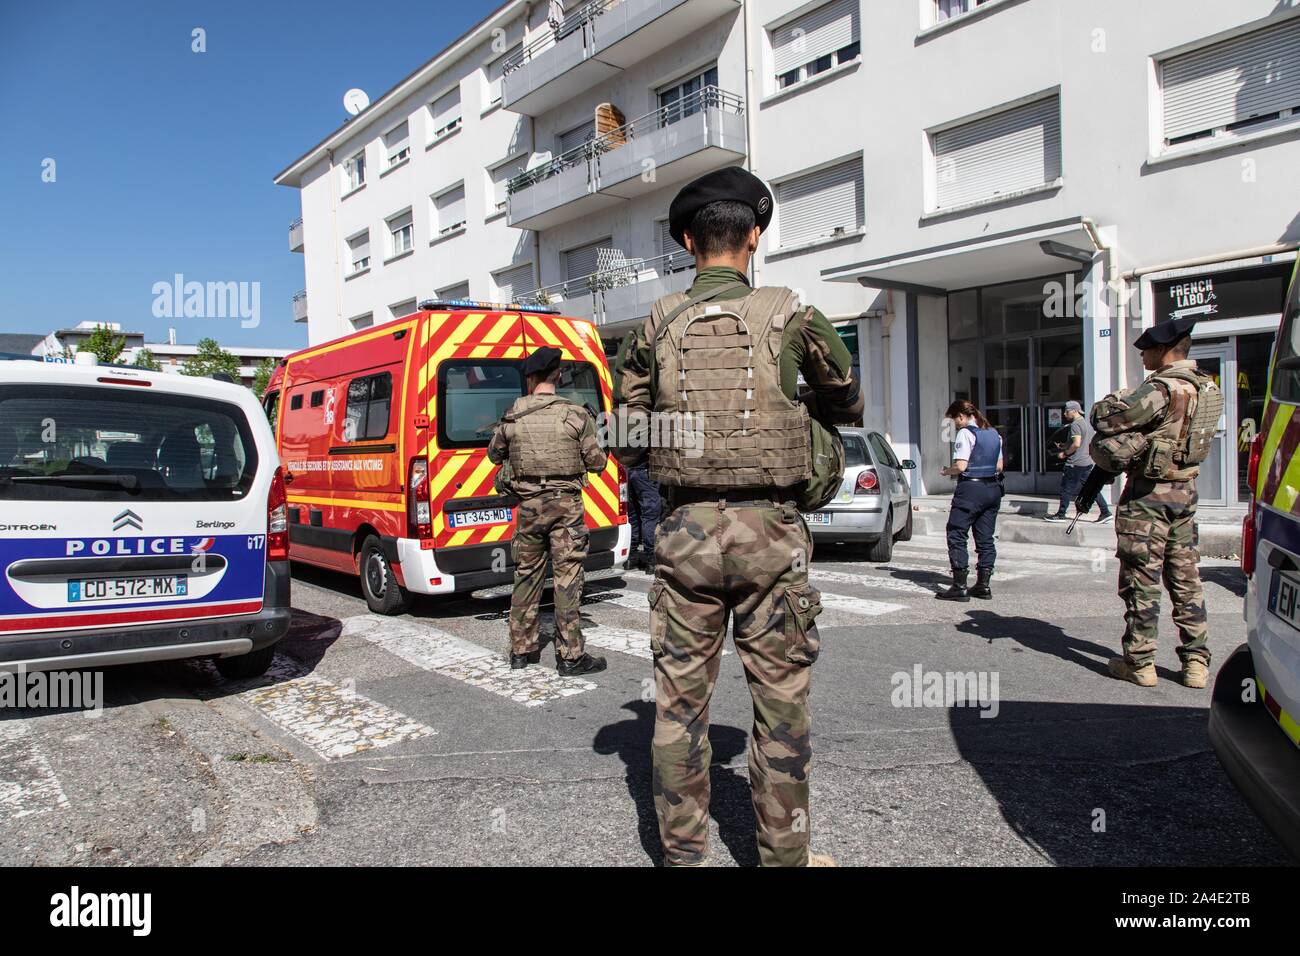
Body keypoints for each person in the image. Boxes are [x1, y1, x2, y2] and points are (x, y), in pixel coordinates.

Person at [620, 166, 863, 867]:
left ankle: (683, 856)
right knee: (782, 703)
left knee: (679, 706)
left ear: (688, 243)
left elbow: (628, 440)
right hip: (772, 532)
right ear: (753, 238)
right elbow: (847, 404)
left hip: (686, 532)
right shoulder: (793, 313)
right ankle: (785, 858)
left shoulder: (654, 324)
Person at [1078, 316, 1216, 689]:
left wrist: (1109, 401)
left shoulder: (1163, 389)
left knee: (1142, 577)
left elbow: (1107, 420)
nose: (1142, 356)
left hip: (1149, 497)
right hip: (1184, 493)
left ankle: (1139, 662)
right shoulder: (1205, 386)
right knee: (1186, 578)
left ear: (1163, 350)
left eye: (1146, 350)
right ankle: (1195, 664)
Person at [487, 346, 609, 676]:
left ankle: (521, 651)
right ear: (557, 375)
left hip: (528, 508)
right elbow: (597, 464)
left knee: (526, 575)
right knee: (568, 579)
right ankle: (570, 656)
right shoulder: (575, 415)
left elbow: (493, 456)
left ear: (530, 378)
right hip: (565, 508)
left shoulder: (513, 414)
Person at [936, 400, 1004, 602]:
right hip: (993, 489)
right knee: (985, 538)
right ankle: (983, 585)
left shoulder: (966, 433)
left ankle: (959, 586)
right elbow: (1000, 466)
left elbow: (961, 466)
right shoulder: (994, 433)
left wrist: (947, 471)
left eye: (955, 420)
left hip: (971, 490)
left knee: (956, 533)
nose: (955, 424)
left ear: (961, 416)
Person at [1045, 400, 1111, 523]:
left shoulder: (1075, 425)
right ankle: (1105, 512)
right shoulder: (1085, 423)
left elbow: (1076, 444)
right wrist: (1064, 445)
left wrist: (1064, 453)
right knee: (1091, 489)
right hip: (1086, 462)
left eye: (1067, 411)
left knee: (1066, 489)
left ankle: (1061, 514)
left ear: (1074, 411)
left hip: (1075, 463)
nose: (1065, 414)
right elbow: (1081, 442)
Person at [625, 463, 661, 572]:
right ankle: (651, 561)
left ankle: (631, 559)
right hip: (646, 472)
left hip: (628, 471)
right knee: (650, 516)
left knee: (633, 517)